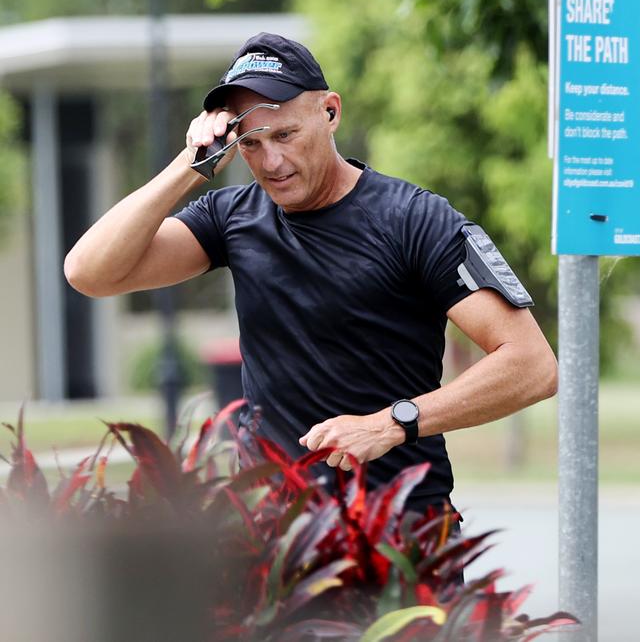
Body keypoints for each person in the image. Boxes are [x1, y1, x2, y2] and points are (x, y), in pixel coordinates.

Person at [64, 33, 558, 514]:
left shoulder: (415, 219)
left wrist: (390, 423)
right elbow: (90, 272)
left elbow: (533, 366)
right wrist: (190, 164)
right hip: (278, 543)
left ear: (330, 112)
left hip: (399, 535)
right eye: (251, 143)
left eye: (286, 135)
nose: (271, 161)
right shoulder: (231, 217)